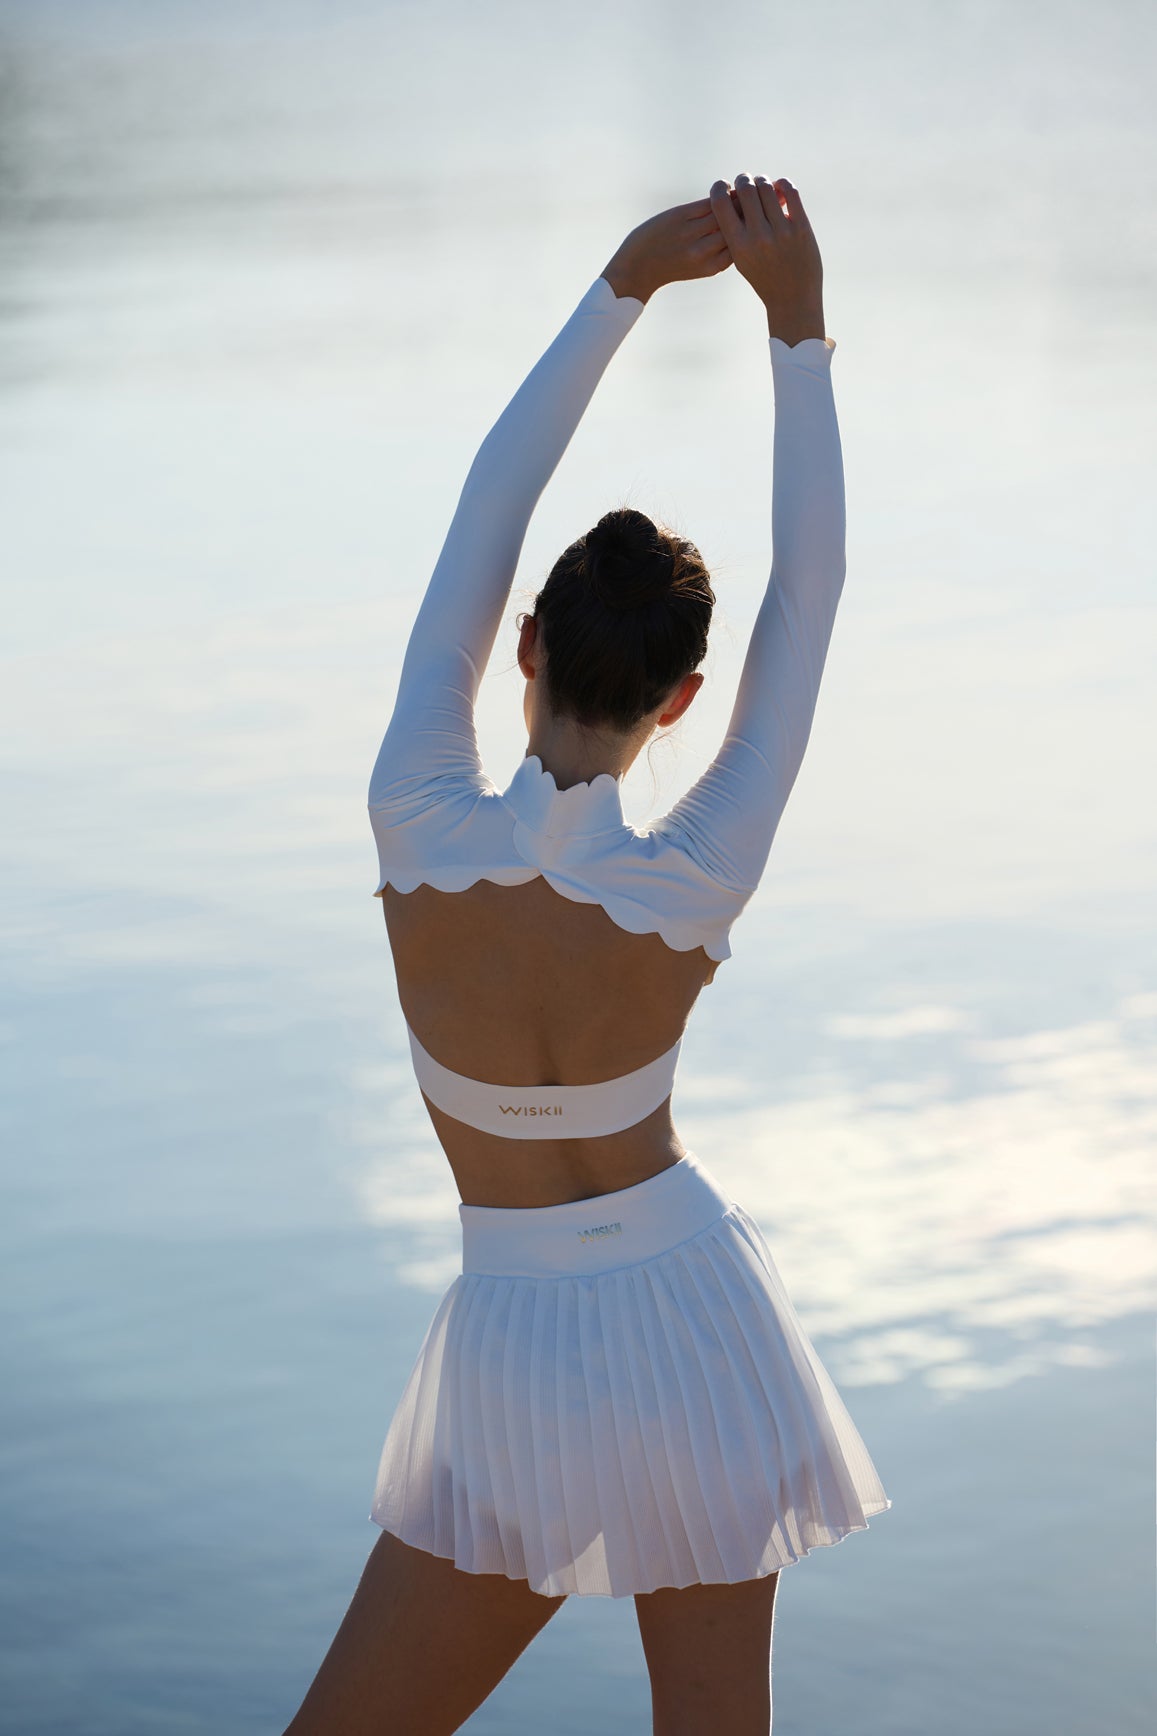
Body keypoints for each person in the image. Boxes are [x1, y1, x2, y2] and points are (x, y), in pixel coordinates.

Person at [283, 174, 890, 1736]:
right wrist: (799, 332)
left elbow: (488, 498)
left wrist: (623, 285)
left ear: (527, 644)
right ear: (679, 701)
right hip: (698, 1322)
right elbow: (807, 602)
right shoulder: (698, 876)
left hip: (512, 1346)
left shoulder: (412, 812)